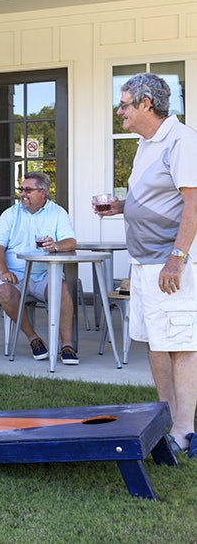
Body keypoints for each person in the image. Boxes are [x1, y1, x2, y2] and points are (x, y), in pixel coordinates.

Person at [93, 72, 197, 457]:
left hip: (170, 264)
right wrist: (121, 206)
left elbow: (193, 203)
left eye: (124, 105)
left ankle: (184, 431)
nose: (119, 111)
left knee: (181, 344)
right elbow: (156, 198)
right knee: (156, 341)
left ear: (146, 104)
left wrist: (176, 259)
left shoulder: (181, 141)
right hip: (143, 262)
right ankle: (165, 419)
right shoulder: (146, 144)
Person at [0, 171, 79, 364]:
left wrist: (56, 246)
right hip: (14, 274)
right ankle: (33, 339)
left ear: (43, 193)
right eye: (21, 189)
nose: (22, 194)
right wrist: (4, 271)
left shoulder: (57, 213)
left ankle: (67, 346)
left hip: (43, 273)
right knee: (4, 291)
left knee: (62, 290)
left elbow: (71, 242)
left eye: (28, 190)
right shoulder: (10, 214)